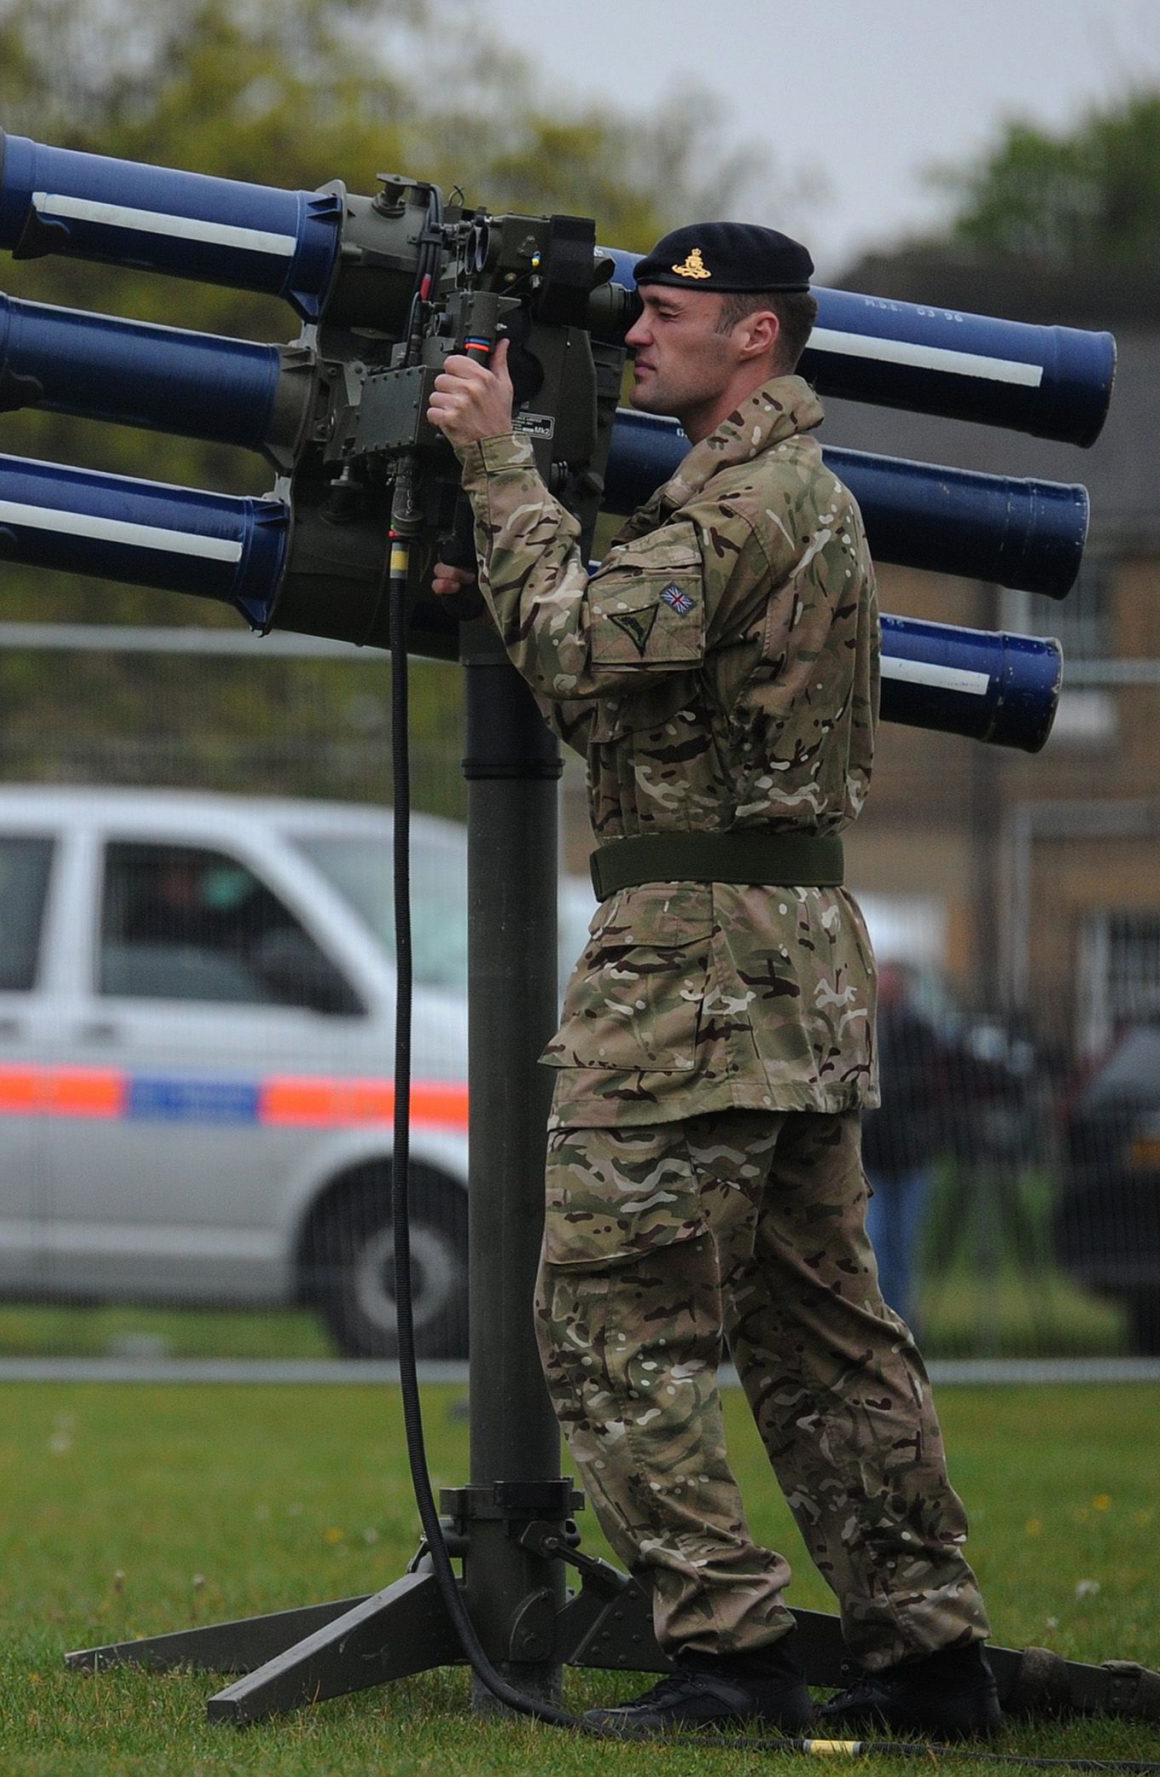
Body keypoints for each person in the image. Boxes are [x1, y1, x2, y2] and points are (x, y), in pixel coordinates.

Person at [424, 222, 998, 1740]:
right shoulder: (774, 496)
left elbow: (571, 645)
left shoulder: (748, 506)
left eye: (667, 314)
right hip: (786, 966)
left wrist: (494, 463)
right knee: (820, 1334)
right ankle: (931, 1660)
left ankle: (728, 1649)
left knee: (610, 1320)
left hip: (696, 967)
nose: (636, 336)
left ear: (756, 338)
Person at [863, 963, 947, 1330]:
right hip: (874, 1156)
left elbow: (925, 1084)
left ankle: (899, 1319)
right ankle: (879, 1318)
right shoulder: (866, 1030)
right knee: (876, 1242)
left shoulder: (920, 1032)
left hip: (910, 1157)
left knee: (903, 1245)